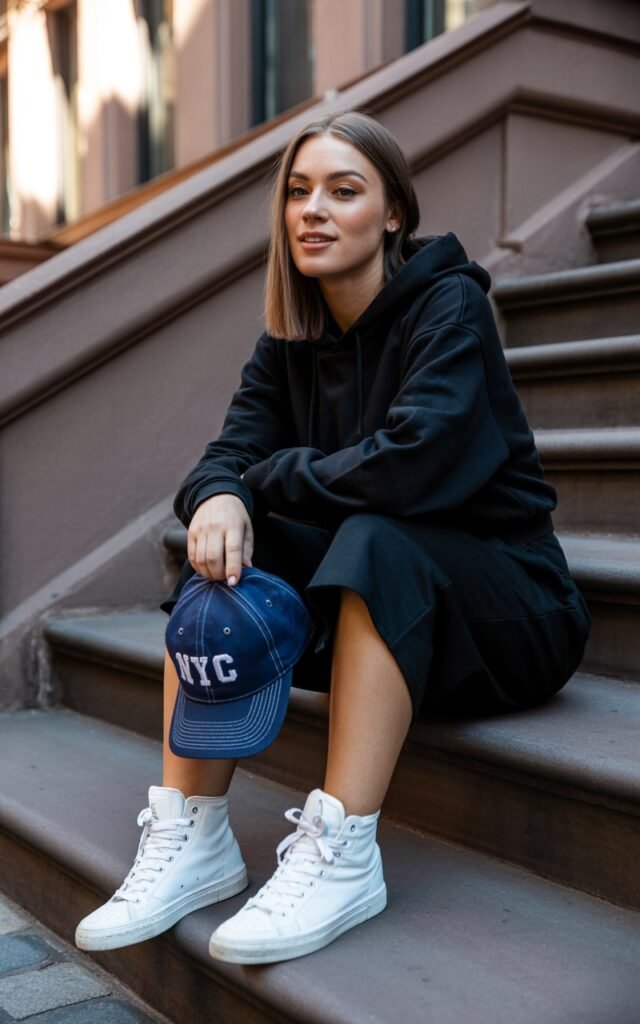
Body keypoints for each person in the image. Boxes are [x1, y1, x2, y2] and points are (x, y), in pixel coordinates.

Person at [75, 110, 591, 964]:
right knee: (226, 560)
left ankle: (346, 852)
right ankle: (192, 833)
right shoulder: (290, 338)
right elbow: (227, 453)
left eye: (343, 191)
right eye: (298, 192)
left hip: (511, 614)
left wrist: (263, 480)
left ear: (392, 213)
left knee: (377, 535)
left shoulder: (449, 309)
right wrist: (217, 498)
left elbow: (410, 470)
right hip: (386, 618)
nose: (314, 209)